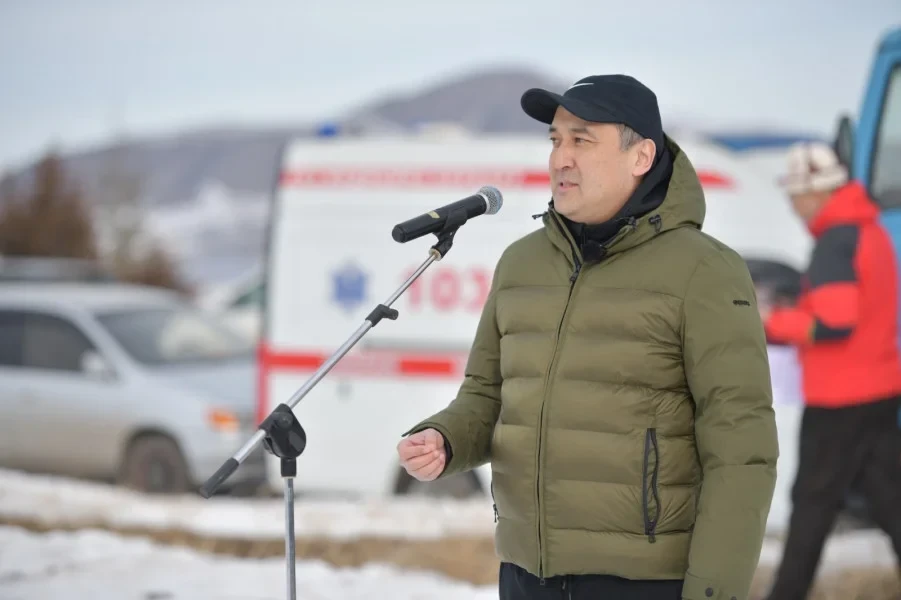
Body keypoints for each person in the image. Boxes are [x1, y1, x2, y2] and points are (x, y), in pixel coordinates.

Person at [396, 73, 780, 600]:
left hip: (643, 584)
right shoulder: (521, 264)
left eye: (582, 140)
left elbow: (741, 448)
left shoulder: (705, 272)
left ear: (640, 157)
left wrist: (713, 591)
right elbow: (487, 396)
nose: (561, 158)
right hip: (526, 576)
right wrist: (445, 438)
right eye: (555, 140)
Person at [761, 142, 901, 600]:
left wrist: (770, 322)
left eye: (795, 193)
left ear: (818, 192)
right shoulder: (869, 230)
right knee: (890, 498)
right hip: (880, 387)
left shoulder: (835, 241)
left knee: (812, 503)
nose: (792, 203)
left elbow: (834, 323)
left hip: (839, 397)